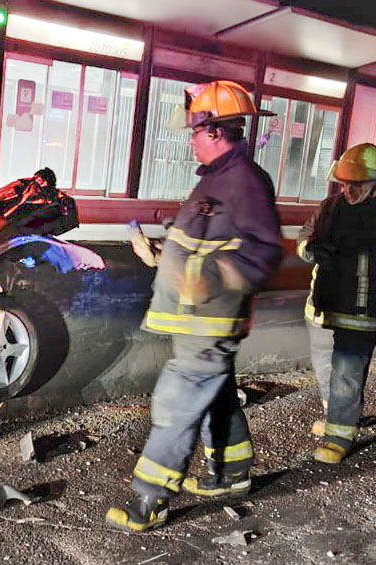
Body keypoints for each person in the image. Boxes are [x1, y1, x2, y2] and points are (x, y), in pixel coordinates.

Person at [108, 80, 283, 532]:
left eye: (195, 132)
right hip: (198, 319)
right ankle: (232, 474)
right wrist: (162, 253)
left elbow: (263, 252)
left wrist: (210, 277)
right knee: (216, 397)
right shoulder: (219, 180)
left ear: (216, 132)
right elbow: (208, 242)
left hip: (211, 320)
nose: (190, 141)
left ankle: (150, 500)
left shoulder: (245, 182)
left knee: (177, 402)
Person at [298, 143, 376, 464]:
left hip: (360, 312)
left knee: (347, 373)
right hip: (321, 307)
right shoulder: (330, 206)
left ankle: (339, 438)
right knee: (324, 367)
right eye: (345, 183)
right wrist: (311, 249)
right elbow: (305, 235)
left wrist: (342, 257)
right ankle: (335, 414)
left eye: (356, 184)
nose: (348, 190)